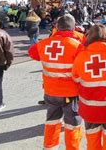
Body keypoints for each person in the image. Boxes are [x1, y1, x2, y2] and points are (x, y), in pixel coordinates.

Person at [28, 14, 83, 150]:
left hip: (50, 92)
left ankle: (50, 147)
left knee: (52, 121)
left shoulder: (43, 44)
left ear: (57, 28)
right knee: (73, 124)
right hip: (70, 93)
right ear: (74, 29)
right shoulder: (77, 46)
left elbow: (32, 53)